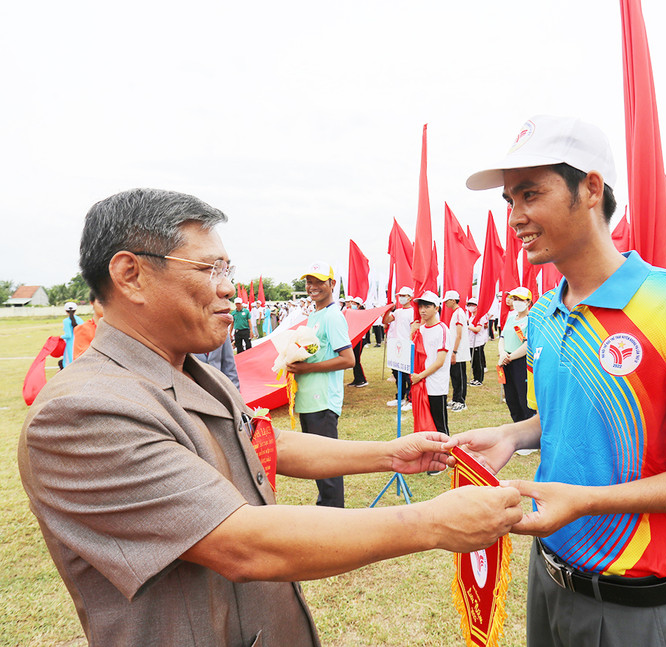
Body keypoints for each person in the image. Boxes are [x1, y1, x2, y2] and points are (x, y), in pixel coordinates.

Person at [18, 188, 523, 647]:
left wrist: (387, 453)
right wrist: (430, 523)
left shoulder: (194, 373)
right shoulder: (83, 411)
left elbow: (258, 443)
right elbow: (241, 545)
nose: (229, 290)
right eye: (209, 269)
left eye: (228, 270)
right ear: (131, 275)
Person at [450, 115, 666, 646]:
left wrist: (587, 501)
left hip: (630, 604)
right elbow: (571, 415)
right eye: (510, 201)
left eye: (531, 194)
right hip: (546, 574)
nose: (516, 218)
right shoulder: (544, 314)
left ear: (591, 188)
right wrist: (514, 434)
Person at [285, 262, 355, 508]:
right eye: (309, 282)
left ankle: (334, 517)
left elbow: (348, 359)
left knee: (327, 463)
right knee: (317, 462)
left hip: (323, 401)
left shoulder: (334, 316)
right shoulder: (314, 315)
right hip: (308, 399)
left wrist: (306, 368)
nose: (312, 287)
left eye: (318, 281)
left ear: (332, 284)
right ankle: (327, 511)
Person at [410, 291, 451, 435]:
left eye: (427, 306)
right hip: (420, 384)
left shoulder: (442, 330)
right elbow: (410, 354)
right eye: (420, 306)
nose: (422, 310)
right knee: (423, 423)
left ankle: (446, 454)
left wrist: (420, 376)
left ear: (436, 308)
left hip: (436, 385)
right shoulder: (419, 329)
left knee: (440, 425)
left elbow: (440, 361)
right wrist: (411, 333)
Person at [498, 286, 535, 423]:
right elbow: (502, 338)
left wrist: (510, 357)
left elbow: (528, 345)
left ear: (528, 302)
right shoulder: (511, 317)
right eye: (514, 298)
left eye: (520, 299)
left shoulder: (531, 319)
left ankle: (528, 429)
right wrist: (502, 354)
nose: (516, 301)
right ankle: (517, 425)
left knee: (523, 397)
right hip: (506, 361)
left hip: (521, 362)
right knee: (511, 397)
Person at [383, 285, 414, 410]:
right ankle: (400, 397)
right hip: (395, 346)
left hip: (406, 345)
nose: (401, 298)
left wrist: (410, 342)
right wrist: (388, 309)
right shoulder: (398, 312)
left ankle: (410, 399)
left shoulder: (412, 312)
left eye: (403, 296)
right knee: (397, 372)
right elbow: (386, 320)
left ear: (410, 297)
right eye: (400, 296)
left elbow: (413, 328)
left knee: (408, 374)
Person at [443, 290, 471, 412]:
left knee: (459, 376)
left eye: (447, 301)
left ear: (453, 300)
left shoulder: (459, 313)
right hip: (455, 350)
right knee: (454, 376)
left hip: (458, 351)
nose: (446, 304)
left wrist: (454, 352)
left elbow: (458, 335)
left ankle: (461, 401)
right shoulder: (456, 313)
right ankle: (455, 398)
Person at [73, 292, 103, 360]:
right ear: (92, 303)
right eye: (101, 302)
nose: (105, 305)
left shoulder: (120, 328)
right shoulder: (82, 329)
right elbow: (81, 359)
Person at [467, 297, 488, 386]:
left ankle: (479, 379)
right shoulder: (472, 317)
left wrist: (467, 326)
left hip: (478, 342)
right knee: (473, 361)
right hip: (471, 342)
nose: (471, 307)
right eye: (469, 305)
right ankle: (475, 378)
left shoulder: (480, 317)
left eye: (473, 305)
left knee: (477, 362)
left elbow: (477, 329)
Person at [348, 296, 368, 387]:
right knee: (354, 360)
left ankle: (362, 380)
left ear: (359, 305)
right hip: (354, 338)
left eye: (354, 303)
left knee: (356, 360)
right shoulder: (354, 313)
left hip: (360, 339)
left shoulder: (362, 313)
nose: (352, 305)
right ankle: (357, 379)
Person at [60, 302, 84, 367]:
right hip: (80, 343)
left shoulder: (66, 321)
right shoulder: (80, 320)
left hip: (70, 344)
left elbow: (68, 335)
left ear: (65, 311)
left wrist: (60, 337)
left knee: (68, 363)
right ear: (75, 310)